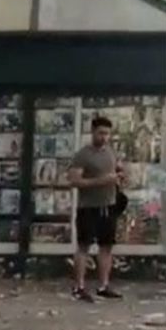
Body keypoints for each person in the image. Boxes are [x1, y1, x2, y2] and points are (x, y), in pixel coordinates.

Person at [68, 116, 126, 302]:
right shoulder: (83, 154)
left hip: (108, 206)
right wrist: (101, 181)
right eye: (101, 133)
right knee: (84, 246)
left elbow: (116, 170)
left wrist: (120, 175)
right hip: (88, 207)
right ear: (92, 132)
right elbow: (74, 181)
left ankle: (103, 285)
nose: (104, 137)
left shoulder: (110, 152)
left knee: (106, 247)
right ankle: (79, 287)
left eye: (107, 133)